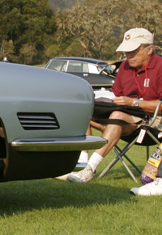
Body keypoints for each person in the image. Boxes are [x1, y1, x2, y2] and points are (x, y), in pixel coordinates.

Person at [67, 28, 162, 196]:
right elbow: (116, 94)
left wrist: (133, 102)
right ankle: (81, 162)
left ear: (149, 49)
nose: (128, 55)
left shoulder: (160, 66)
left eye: (133, 51)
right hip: (124, 120)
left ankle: (90, 169)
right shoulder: (125, 67)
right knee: (85, 110)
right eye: (126, 51)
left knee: (117, 117)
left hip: (153, 122)